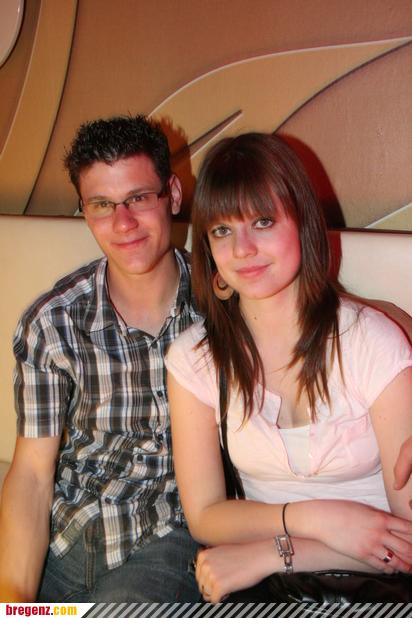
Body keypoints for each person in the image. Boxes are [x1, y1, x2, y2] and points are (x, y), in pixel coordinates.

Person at [165, 132, 412, 603]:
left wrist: (279, 552)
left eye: (263, 221)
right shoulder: (194, 358)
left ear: (303, 223)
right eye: (222, 230)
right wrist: (316, 518)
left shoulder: (372, 342)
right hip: (266, 586)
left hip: (378, 580)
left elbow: (407, 540)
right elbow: (206, 514)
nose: (243, 249)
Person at [0, 115, 203, 602]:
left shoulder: (225, 303)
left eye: (139, 198)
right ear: (85, 210)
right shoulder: (53, 321)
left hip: (166, 538)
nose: (123, 223)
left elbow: (320, 313)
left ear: (173, 195)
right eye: (102, 205)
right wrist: (14, 602)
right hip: (66, 533)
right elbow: (32, 474)